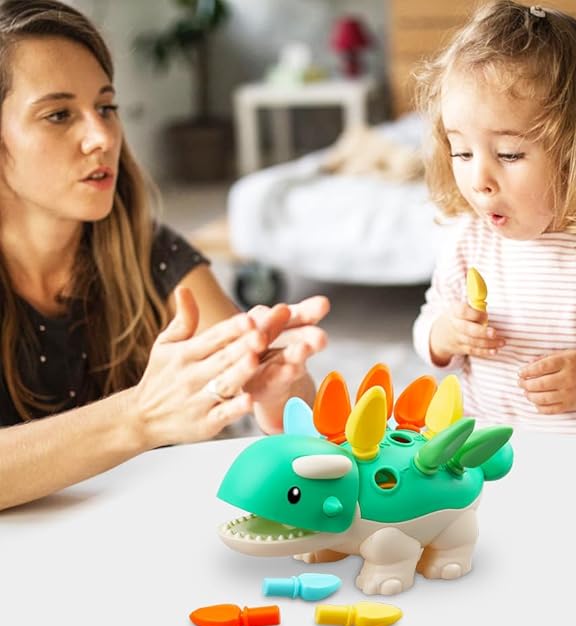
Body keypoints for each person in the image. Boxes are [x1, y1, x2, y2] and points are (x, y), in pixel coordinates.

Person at [0, 0, 330, 511]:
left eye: (106, 107)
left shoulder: (153, 254)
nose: (102, 136)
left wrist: (279, 393)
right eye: (58, 114)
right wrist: (139, 417)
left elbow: (307, 429)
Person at [412, 1, 576, 438]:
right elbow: (430, 321)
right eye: (462, 152)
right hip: (487, 455)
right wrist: (443, 336)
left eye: (509, 154)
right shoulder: (468, 242)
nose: (479, 180)